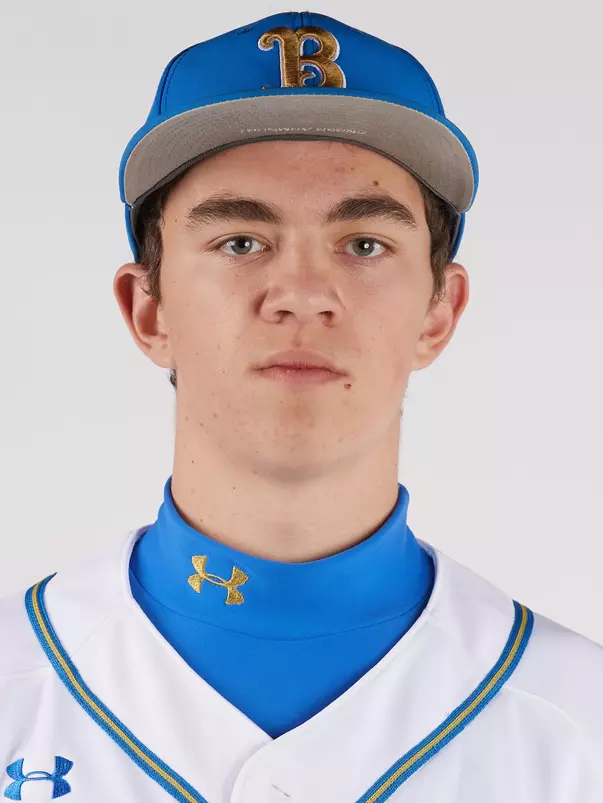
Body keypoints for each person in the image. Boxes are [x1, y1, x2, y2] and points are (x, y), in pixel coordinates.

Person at [1, 11, 602, 803]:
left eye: (363, 244)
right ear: (148, 310)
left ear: (437, 312)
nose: (302, 296)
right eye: (241, 241)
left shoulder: (578, 724)